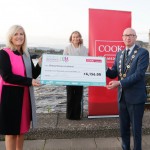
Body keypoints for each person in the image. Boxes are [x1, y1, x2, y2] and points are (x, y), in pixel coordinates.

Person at [106, 28, 149, 150]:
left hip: (136, 98)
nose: (128, 37)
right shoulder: (119, 54)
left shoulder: (143, 53)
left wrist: (119, 83)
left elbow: (139, 74)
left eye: (131, 35)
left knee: (136, 130)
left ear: (135, 37)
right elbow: (114, 72)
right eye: (125, 35)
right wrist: (103, 68)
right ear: (122, 38)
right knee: (123, 128)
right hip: (122, 97)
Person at [0, 25, 42, 150]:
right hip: (10, 95)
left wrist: (39, 65)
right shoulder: (4, 53)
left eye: (21, 34)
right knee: (11, 131)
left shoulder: (26, 54)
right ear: (11, 37)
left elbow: (32, 75)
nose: (19, 37)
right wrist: (29, 81)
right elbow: (7, 76)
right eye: (16, 34)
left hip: (24, 95)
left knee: (21, 130)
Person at [63, 31, 88, 120]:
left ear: (80, 38)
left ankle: (77, 115)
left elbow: (86, 61)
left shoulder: (84, 48)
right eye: (73, 37)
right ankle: (69, 115)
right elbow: (64, 60)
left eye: (77, 37)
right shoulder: (67, 48)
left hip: (80, 75)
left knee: (78, 96)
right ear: (71, 38)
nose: (75, 38)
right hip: (69, 75)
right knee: (70, 96)